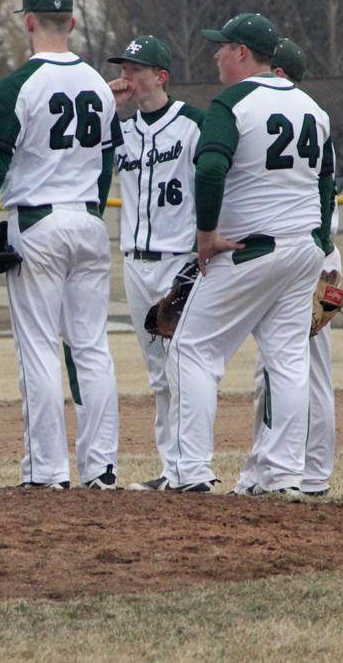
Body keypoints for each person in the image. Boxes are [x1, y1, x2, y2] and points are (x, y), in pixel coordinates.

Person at [0, 0, 122, 490]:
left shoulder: (17, 86)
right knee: (92, 347)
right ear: (71, 22)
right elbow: (107, 159)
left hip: (40, 225)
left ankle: (47, 472)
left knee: (41, 349)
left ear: (27, 21)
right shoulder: (97, 84)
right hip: (90, 222)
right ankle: (102, 468)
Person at [165, 13, 336, 495]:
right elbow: (326, 184)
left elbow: (211, 169)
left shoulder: (232, 102)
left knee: (192, 350)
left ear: (242, 52)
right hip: (301, 249)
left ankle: (189, 471)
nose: (215, 53)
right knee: (287, 360)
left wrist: (206, 235)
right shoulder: (314, 109)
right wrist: (319, 242)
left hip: (248, 249)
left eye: (222, 46)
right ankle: (283, 475)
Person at [105, 35, 206, 492]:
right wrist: (107, 102)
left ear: (160, 76)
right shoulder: (120, 131)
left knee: (182, 368)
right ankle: (172, 470)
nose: (127, 75)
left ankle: (191, 470)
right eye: (124, 68)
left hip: (179, 263)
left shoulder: (193, 125)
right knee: (159, 377)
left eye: (135, 69)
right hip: (134, 263)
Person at [244, 37, 342, 497]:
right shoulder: (314, 117)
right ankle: (312, 474)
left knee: (280, 368)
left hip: (304, 254)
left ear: (277, 74)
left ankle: (287, 473)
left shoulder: (275, 115)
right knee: (308, 371)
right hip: (319, 252)